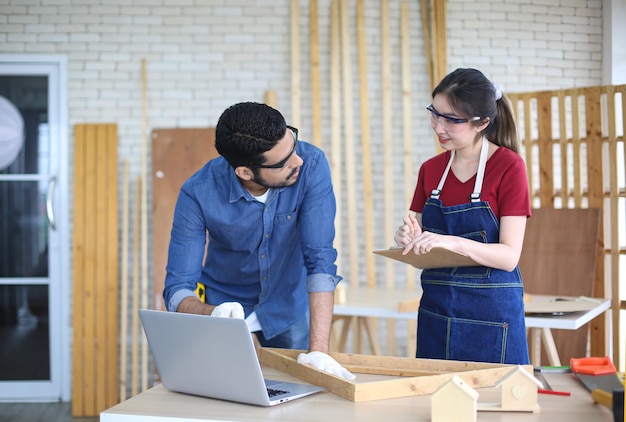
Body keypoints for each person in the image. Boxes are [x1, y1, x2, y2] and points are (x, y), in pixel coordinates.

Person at [163, 101, 354, 380]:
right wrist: (212, 313)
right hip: (224, 311)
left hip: (287, 306)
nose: (297, 161)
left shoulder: (311, 165)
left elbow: (320, 259)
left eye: (294, 146)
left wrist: (320, 351)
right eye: (283, 162)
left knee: (296, 400)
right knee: (225, 398)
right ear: (245, 172)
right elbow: (178, 288)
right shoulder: (197, 193)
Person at [394, 68, 531, 365]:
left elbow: (509, 256)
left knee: (495, 407)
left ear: (481, 123)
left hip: (492, 317)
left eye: (452, 120)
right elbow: (415, 229)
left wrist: (451, 242)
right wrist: (406, 237)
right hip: (437, 313)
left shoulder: (509, 167)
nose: (438, 127)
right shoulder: (430, 170)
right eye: (435, 114)